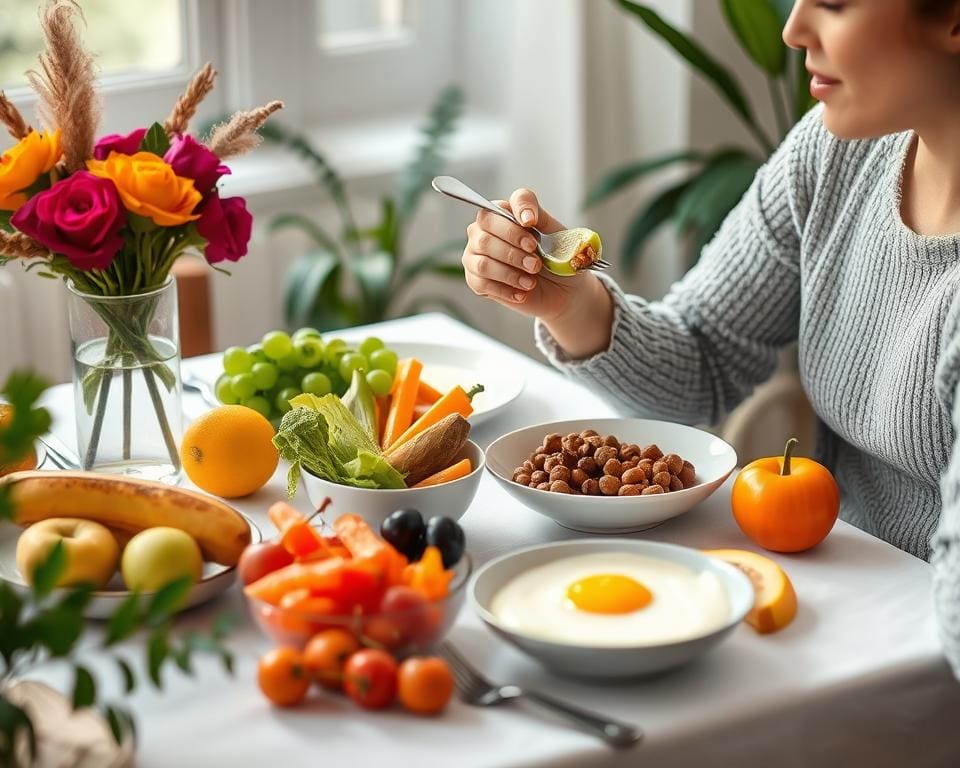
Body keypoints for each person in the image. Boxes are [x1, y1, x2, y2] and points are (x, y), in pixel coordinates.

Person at [460, 0, 960, 673]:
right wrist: (570, 303)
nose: (793, 30)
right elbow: (702, 358)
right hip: (834, 612)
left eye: (835, 3)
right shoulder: (836, 154)